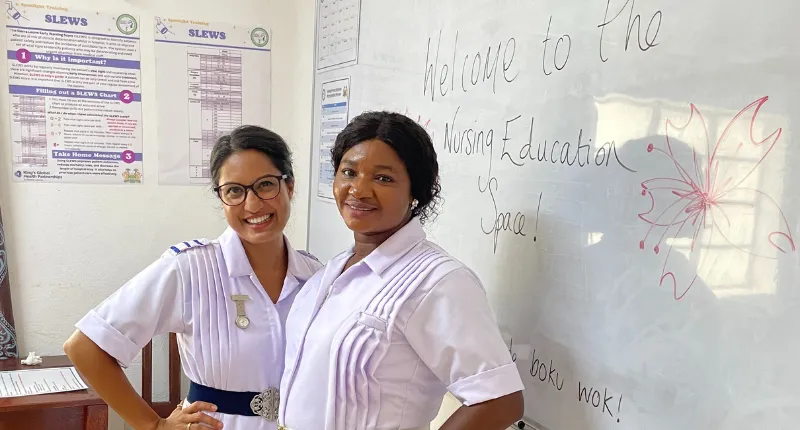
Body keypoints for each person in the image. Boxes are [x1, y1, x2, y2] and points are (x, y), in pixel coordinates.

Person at [63, 126, 323, 430]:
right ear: (222, 198)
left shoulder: (315, 277)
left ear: (289, 186)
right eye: (234, 191)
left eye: (265, 185)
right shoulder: (190, 269)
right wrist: (153, 425)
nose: (252, 205)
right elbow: (85, 346)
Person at [278, 111, 525, 430]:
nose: (359, 189)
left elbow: (500, 400)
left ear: (416, 192)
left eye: (383, 178)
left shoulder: (438, 281)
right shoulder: (333, 270)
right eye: (349, 172)